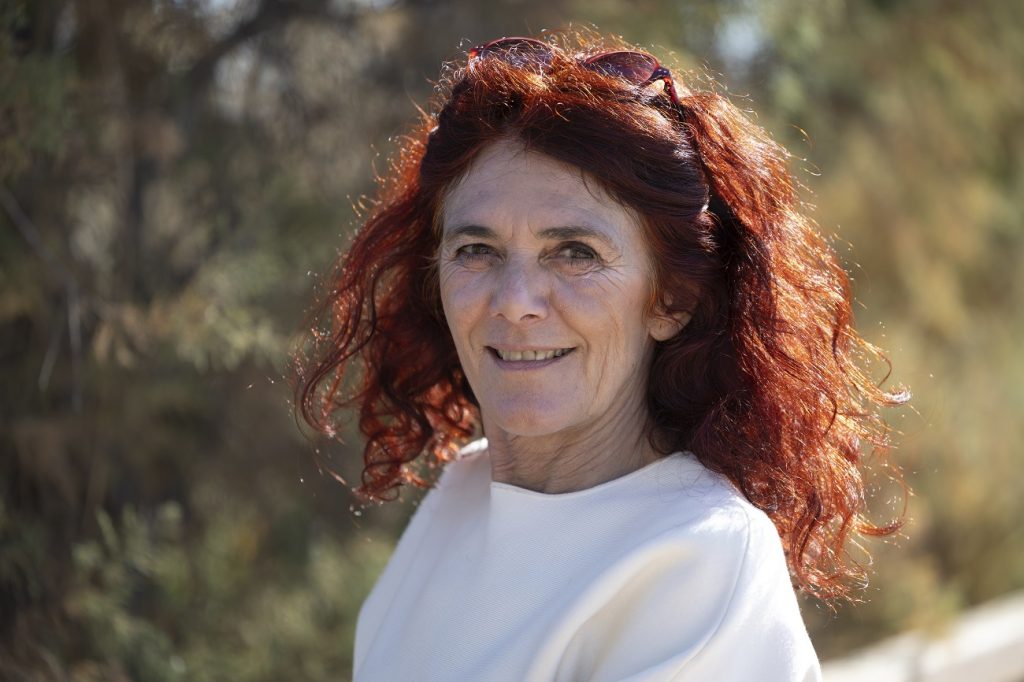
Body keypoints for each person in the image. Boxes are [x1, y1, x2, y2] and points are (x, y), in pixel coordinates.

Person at [294, 31, 907, 681]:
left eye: (575, 253)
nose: (515, 301)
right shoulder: (460, 496)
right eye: (477, 250)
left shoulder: (700, 558)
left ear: (670, 299)